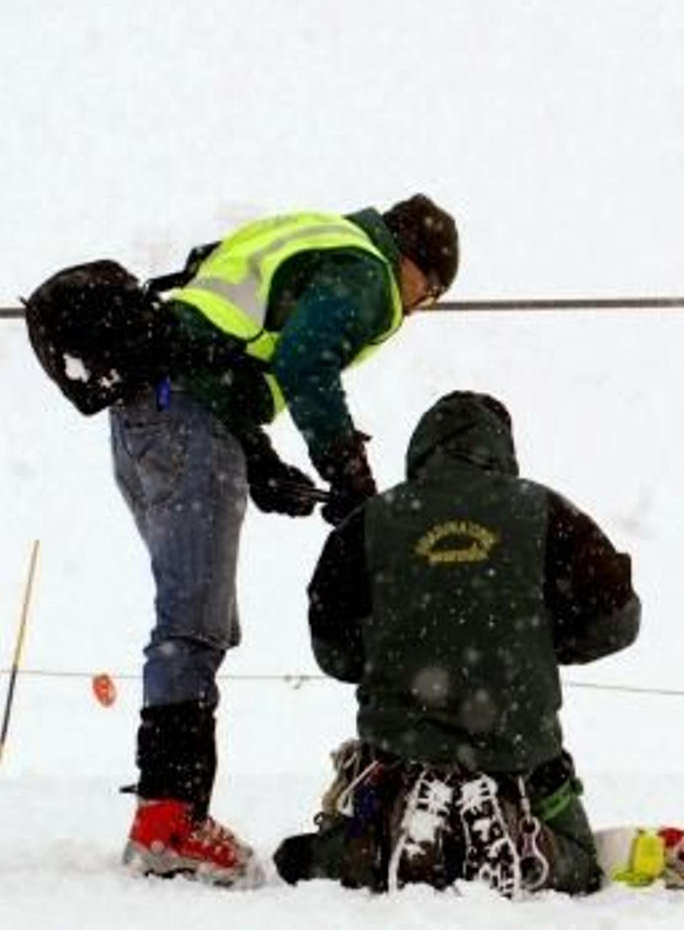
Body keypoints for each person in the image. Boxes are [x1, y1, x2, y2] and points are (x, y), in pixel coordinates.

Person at [116, 196, 460, 886]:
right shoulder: (366, 272)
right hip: (185, 421)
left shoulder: (307, 235)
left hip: (146, 414)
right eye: (432, 291)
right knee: (193, 625)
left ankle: (168, 814)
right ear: (413, 264)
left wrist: (259, 457)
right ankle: (169, 822)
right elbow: (306, 361)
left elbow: (214, 344)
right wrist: (348, 470)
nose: (421, 308)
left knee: (200, 617)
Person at [273, 390, 640, 899]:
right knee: (585, 863)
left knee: (298, 856)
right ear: (501, 450)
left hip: (397, 754)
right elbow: (617, 622)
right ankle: (528, 840)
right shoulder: (547, 510)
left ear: (422, 450)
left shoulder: (371, 520)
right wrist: (534, 638)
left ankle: (378, 838)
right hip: (520, 758)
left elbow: (333, 652)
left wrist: (397, 647)